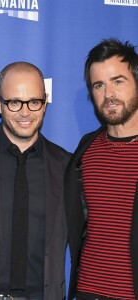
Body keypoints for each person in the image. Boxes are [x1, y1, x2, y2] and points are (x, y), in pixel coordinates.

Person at [0, 62, 71, 300]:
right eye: (14, 102)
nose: (25, 112)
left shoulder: (67, 165)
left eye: (34, 102)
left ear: (45, 102)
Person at [65, 38, 138, 299]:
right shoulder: (87, 149)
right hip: (88, 291)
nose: (108, 94)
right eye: (99, 85)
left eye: (118, 81)